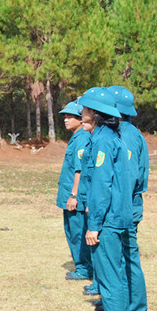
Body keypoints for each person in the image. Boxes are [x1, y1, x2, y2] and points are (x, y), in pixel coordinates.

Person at [76, 87, 133, 311]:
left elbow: (101, 186)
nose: (81, 112)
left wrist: (94, 225)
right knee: (115, 275)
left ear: (95, 115)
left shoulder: (103, 141)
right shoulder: (108, 137)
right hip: (115, 218)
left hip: (107, 222)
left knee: (110, 278)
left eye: (85, 108)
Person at [109, 86, 149, 311]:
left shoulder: (127, 135)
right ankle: (122, 304)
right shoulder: (123, 132)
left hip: (125, 207)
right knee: (120, 257)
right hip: (124, 205)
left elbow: (128, 176)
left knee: (128, 257)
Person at [56, 100, 92, 280]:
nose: (66, 119)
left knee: (77, 232)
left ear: (80, 118)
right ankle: (83, 266)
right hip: (69, 194)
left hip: (75, 197)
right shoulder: (76, 137)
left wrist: (74, 195)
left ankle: (84, 269)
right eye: (65, 116)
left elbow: (79, 169)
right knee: (72, 231)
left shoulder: (82, 139)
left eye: (70, 116)